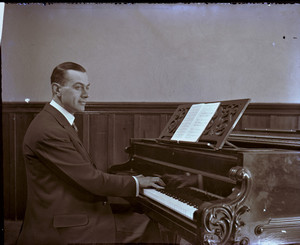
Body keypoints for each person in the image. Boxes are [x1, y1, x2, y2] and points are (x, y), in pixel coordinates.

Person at [16, 61, 165, 245]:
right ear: (57, 90)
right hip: (63, 225)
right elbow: (91, 180)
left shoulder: (56, 121)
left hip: (67, 213)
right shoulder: (49, 130)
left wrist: (132, 185)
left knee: (140, 215)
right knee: (145, 224)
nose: (86, 94)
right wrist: (136, 182)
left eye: (87, 87)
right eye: (78, 88)